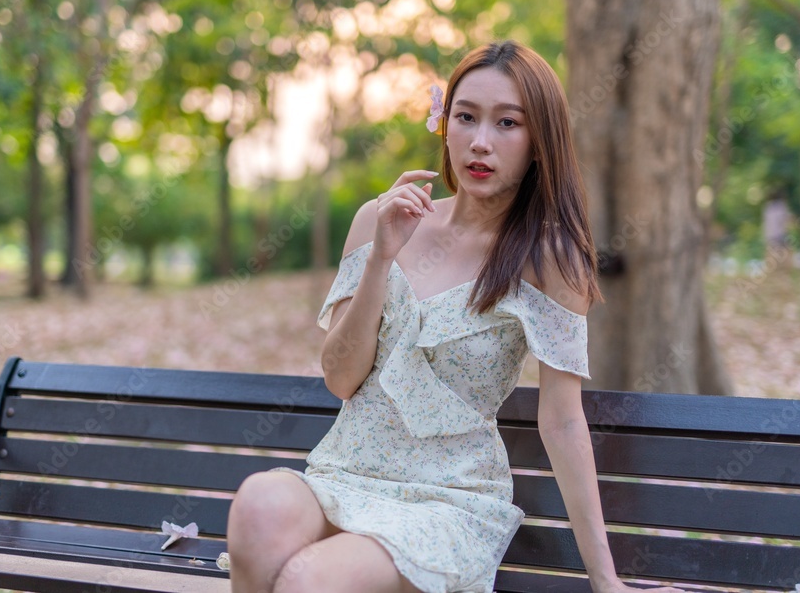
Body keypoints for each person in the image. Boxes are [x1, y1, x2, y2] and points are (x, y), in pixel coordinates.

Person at [226, 41, 686, 593]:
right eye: (465, 117)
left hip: (445, 502)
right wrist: (381, 258)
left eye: (507, 123)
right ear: (444, 123)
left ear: (540, 142)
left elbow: (562, 421)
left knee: (307, 579)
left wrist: (605, 581)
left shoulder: (548, 259)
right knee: (256, 504)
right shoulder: (382, 218)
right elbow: (341, 378)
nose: (480, 142)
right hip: (343, 475)